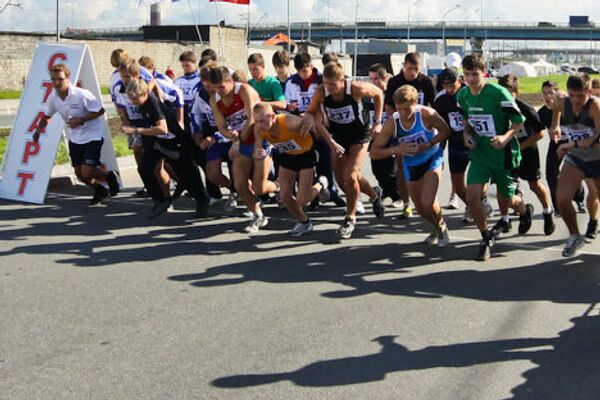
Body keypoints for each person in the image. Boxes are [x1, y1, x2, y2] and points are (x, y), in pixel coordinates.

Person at [457, 54, 533, 261]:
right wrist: (466, 134)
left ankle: (524, 209)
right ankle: (486, 236)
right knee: (472, 197)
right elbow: (466, 118)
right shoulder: (462, 95)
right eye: (467, 74)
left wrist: (505, 137)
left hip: (503, 154)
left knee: (508, 200)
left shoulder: (498, 93)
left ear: (484, 74)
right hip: (480, 153)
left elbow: (518, 121)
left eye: (475, 74)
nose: (471, 79)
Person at [305, 62, 385, 239]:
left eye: (333, 84)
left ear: (342, 80)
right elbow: (311, 114)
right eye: (326, 83)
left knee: (351, 175)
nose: (330, 88)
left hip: (359, 135)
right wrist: (329, 139)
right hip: (338, 137)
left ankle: (350, 218)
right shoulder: (321, 92)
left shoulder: (355, 88)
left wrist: (378, 122)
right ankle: (374, 195)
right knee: (343, 181)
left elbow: (379, 93)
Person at [371, 85, 452, 246]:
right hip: (411, 164)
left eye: (407, 109)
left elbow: (446, 131)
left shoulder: (426, 114)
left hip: (431, 158)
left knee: (428, 201)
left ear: (415, 103)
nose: (403, 113)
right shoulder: (393, 123)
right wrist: (395, 149)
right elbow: (374, 152)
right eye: (399, 109)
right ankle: (437, 226)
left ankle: (441, 225)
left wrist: (429, 144)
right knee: (421, 209)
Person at [120, 78, 209, 219]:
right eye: (131, 99)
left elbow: (163, 129)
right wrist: (158, 90)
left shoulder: (153, 104)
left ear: (144, 94)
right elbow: (152, 81)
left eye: (136, 99)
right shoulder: (144, 93)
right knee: (144, 167)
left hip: (175, 141)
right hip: (157, 141)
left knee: (187, 173)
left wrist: (136, 130)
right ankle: (161, 199)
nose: (133, 102)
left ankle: (202, 199)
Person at [34, 63, 119, 205]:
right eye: (53, 79)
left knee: (87, 172)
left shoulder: (81, 94)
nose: (56, 82)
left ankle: (109, 177)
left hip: (93, 135)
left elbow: (100, 110)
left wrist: (82, 119)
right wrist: (37, 130)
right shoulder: (53, 97)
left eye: (60, 79)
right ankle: (100, 188)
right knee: (80, 175)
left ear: (68, 78)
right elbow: (47, 116)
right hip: (76, 138)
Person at [253, 103, 338, 236]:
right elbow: (257, 149)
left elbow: (312, 122)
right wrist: (258, 153)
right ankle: (304, 222)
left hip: (306, 155)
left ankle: (321, 184)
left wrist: (329, 141)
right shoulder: (259, 129)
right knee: (284, 196)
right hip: (287, 156)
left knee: (302, 201)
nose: (260, 124)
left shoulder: (289, 122)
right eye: (257, 121)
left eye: (263, 121)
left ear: (273, 116)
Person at [209, 66, 269, 233]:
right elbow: (221, 126)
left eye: (221, 86)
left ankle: (278, 186)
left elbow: (251, 120)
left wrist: (239, 140)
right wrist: (231, 135)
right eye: (215, 88)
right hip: (241, 142)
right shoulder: (215, 99)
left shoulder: (244, 91)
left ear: (230, 81)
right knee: (240, 185)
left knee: (259, 188)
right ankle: (258, 215)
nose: (219, 91)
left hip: (259, 139)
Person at [285, 52, 346, 208]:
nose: (303, 75)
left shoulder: (321, 79)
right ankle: (313, 196)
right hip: (302, 125)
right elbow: (290, 108)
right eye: (299, 72)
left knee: (327, 158)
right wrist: (300, 115)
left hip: (321, 124)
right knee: (307, 160)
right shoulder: (291, 82)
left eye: (305, 71)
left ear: (311, 66)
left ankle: (332, 191)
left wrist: (315, 118)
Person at [498, 74, 555, 236]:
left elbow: (540, 134)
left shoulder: (526, 109)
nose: (506, 96)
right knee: (505, 187)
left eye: (510, 93)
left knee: (534, 184)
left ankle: (547, 211)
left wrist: (520, 147)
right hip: (507, 152)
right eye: (502, 92)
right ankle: (510, 217)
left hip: (527, 150)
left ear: (517, 92)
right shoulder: (498, 107)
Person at [551, 73, 600, 256]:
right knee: (562, 199)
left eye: (581, 95)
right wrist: (555, 125)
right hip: (578, 158)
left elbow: (596, 138)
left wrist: (573, 144)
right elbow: (556, 106)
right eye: (572, 95)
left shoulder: (595, 106)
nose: (576, 100)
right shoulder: (564, 101)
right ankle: (574, 235)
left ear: (589, 91)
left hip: (597, 157)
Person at [384, 52, 436, 219]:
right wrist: (398, 124)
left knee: (426, 166)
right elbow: (389, 107)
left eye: (415, 69)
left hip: (422, 128)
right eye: (409, 69)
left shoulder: (425, 82)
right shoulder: (395, 82)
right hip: (402, 129)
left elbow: (432, 106)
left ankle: (426, 202)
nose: (412, 72)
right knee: (402, 167)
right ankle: (407, 203)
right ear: (403, 67)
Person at [191, 61, 237, 212]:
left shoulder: (228, 94)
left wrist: (216, 137)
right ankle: (234, 190)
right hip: (215, 138)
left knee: (237, 171)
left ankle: (244, 194)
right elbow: (195, 115)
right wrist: (197, 132)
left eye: (211, 86)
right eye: (205, 86)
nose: (209, 89)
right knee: (212, 173)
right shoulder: (202, 95)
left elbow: (234, 121)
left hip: (232, 136)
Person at [538, 80, 586, 214]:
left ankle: (579, 199)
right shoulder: (542, 113)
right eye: (544, 93)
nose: (547, 96)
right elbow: (536, 130)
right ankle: (558, 206)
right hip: (556, 144)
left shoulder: (569, 109)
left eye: (551, 93)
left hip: (573, 143)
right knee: (551, 174)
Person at [433, 67, 473, 222]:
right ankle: (470, 205)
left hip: (476, 143)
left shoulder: (471, 94)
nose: (449, 89)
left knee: (476, 180)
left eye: (452, 85)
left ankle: (480, 202)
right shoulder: (441, 100)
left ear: (460, 81)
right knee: (458, 183)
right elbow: (440, 125)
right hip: (456, 144)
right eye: (445, 86)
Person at [366, 63, 402, 208]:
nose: (373, 82)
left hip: (391, 136)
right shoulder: (368, 96)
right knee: (376, 168)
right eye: (371, 79)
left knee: (390, 170)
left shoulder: (392, 94)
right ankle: (386, 191)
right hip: (375, 136)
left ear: (384, 78)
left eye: (376, 79)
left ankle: (397, 196)